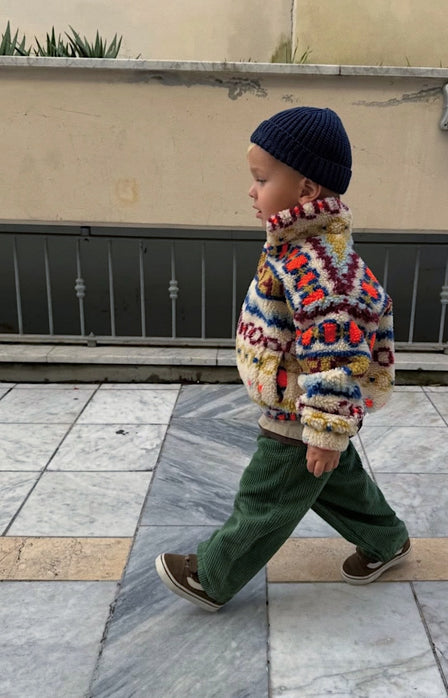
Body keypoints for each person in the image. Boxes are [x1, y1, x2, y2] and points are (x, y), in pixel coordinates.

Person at [155, 106, 410, 612]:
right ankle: (388, 540)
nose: (251, 191)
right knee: (337, 484)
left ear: (306, 190)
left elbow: (337, 357)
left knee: (266, 496)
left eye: (261, 179)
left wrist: (326, 430)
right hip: (300, 404)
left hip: (302, 409)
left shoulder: (322, 266)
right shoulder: (297, 246)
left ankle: (212, 576)